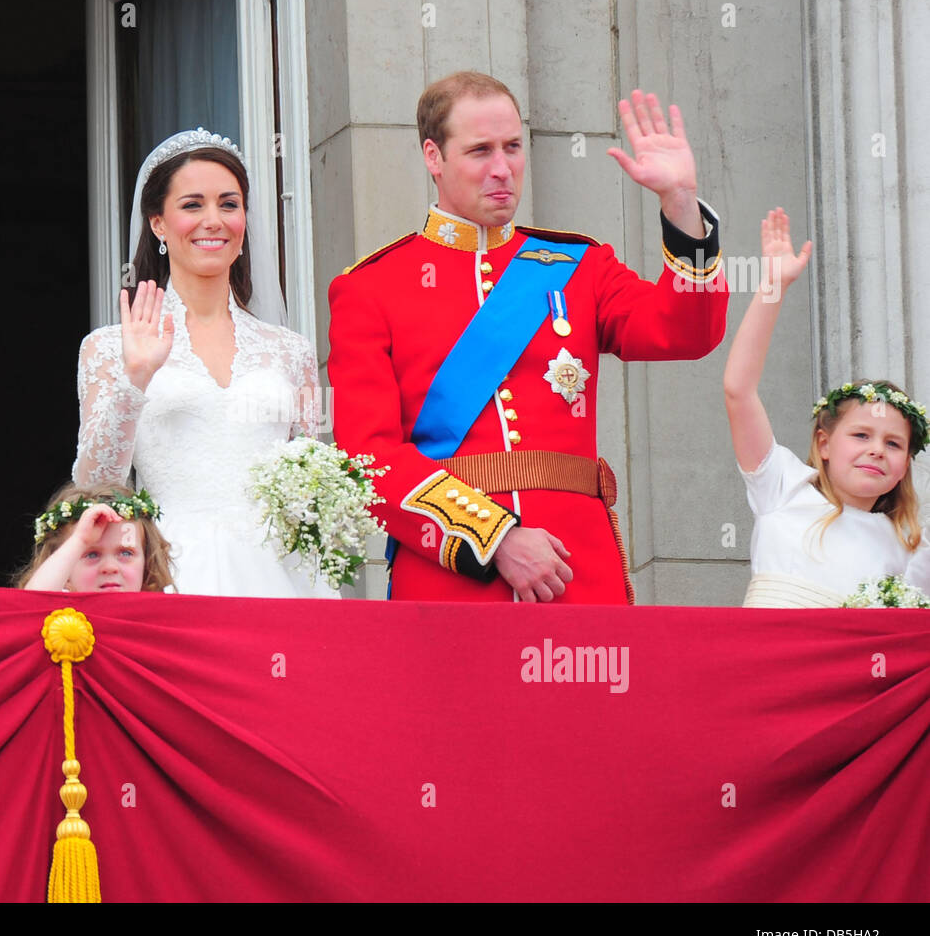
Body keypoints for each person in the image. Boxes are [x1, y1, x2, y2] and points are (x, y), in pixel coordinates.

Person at [328, 72, 728, 603]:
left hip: (577, 568)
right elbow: (369, 460)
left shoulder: (578, 267)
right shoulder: (371, 287)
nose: (502, 169)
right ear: (433, 156)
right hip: (449, 581)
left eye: (513, 147)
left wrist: (680, 202)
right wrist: (495, 539)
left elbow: (687, 331)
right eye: (480, 151)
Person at [72, 128, 335, 597]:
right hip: (170, 570)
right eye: (192, 205)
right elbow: (95, 483)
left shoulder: (293, 350)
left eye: (229, 204)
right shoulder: (108, 347)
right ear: (158, 223)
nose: (213, 220)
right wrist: (136, 378)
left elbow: (316, 473)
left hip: (283, 577)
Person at [723, 208, 929, 606]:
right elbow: (738, 390)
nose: (876, 450)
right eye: (861, 435)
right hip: (767, 663)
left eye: (893, 444)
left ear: (905, 463)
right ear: (824, 444)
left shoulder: (910, 548)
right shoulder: (783, 488)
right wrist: (773, 286)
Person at [17, 484, 174, 592]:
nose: (110, 567)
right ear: (66, 575)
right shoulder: (60, 611)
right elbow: (33, 601)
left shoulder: (159, 615)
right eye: (92, 554)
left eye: (126, 553)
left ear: (147, 563)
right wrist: (80, 540)